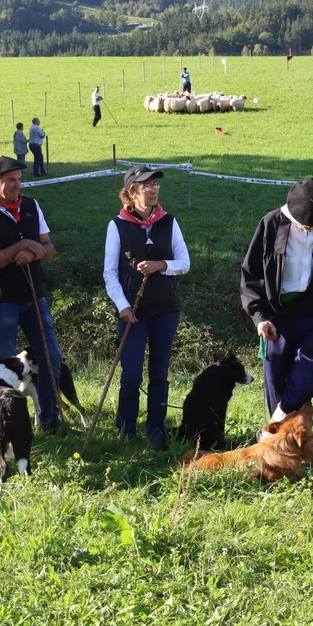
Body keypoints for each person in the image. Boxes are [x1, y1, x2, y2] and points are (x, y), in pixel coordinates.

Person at [240, 178, 313, 424]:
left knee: (305, 379)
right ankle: (284, 440)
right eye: (303, 223)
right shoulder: (271, 223)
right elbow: (251, 274)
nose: (307, 228)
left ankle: (273, 427)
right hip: (277, 316)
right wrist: (259, 318)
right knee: (276, 382)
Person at [0, 156, 66, 433]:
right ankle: (5, 423)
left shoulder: (31, 205)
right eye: (10, 181)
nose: (17, 185)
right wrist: (21, 246)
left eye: (19, 180)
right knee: (5, 364)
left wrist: (34, 252)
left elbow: (49, 247)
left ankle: (49, 422)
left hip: (34, 294)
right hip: (1, 299)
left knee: (51, 357)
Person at [103, 165, 190, 450]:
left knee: (159, 374)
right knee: (131, 375)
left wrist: (161, 265)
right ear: (131, 193)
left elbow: (185, 263)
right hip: (133, 313)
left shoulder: (169, 222)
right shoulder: (117, 225)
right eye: (146, 185)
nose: (153, 190)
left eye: (155, 184)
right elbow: (110, 274)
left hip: (166, 309)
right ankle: (125, 431)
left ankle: (156, 431)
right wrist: (123, 307)